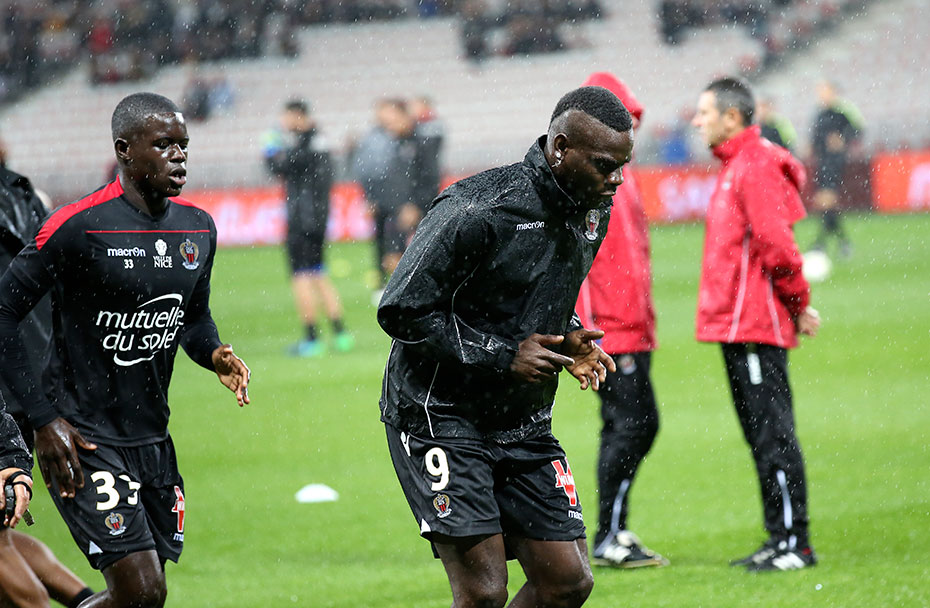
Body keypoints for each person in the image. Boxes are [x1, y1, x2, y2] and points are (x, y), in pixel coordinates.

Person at [378, 86, 634, 607]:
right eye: (605, 165)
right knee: (484, 593)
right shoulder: (478, 207)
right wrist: (503, 354)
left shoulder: (593, 212)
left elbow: (535, 295)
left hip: (522, 420)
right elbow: (402, 308)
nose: (617, 179)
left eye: (623, 165)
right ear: (560, 148)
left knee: (567, 582)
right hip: (440, 414)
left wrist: (569, 334)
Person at [0, 92, 251, 607]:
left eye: (183, 146)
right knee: (140, 590)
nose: (178, 157)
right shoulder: (78, 226)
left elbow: (193, 317)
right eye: (163, 145)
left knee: (145, 598)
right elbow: (3, 310)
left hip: (152, 436)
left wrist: (213, 353)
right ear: (124, 150)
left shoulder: (197, 228)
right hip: (83, 435)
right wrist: (44, 420)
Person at [691, 77, 820, 571]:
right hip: (737, 327)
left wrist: (799, 303)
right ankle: (779, 536)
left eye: (705, 112)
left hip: (754, 326)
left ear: (731, 117)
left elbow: (777, 245)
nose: (697, 121)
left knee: (773, 436)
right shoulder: (738, 165)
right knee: (761, 436)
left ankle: (794, 544)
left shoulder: (756, 164)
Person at [574, 72, 667, 569]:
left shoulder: (619, 178)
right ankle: (609, 534)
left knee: (633, 424)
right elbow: (578, 263)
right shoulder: (592, 181)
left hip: (631, 325)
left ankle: (612, 531)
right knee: (633, 424)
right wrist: (586, 331)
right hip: (611, 330)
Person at [0, 164, 95, 608]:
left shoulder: (19, 194)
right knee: (4, 529)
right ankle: (88, 600)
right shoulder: (22, 192)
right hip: (29, 375)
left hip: (11, 385)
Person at [264, 99, 353, 357]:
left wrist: (270, 150)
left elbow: (279, 168)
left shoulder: (303, 144)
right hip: (317, 219)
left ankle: (312, 338)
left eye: (287, 117)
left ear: (298, 116)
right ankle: (341, 334)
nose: (284, 122)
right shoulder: (319, 141)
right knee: (318, 274)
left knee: (301, 277)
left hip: (302, 219)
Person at [353, 98, 420, 297]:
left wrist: (412, 202)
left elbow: (422, 175)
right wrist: (370, 196)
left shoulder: (413, 138)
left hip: (404, 204)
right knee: (386, 247)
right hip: (387, 201)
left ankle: (408, 291)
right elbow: (367, 170)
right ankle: (389, 286)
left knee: (406, 250)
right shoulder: (376, 138)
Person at [809, 80, 863, 258]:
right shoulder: (820, 113)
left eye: (824, 91)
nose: (821, 95)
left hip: (835, 161)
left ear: (833, 92)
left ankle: (821, 244)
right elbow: (816, 137)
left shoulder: (843, 111)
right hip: (822, 161)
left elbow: (858, 130)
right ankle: (842, 243)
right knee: (824, 203)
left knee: (827, 200)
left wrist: (843, 138)